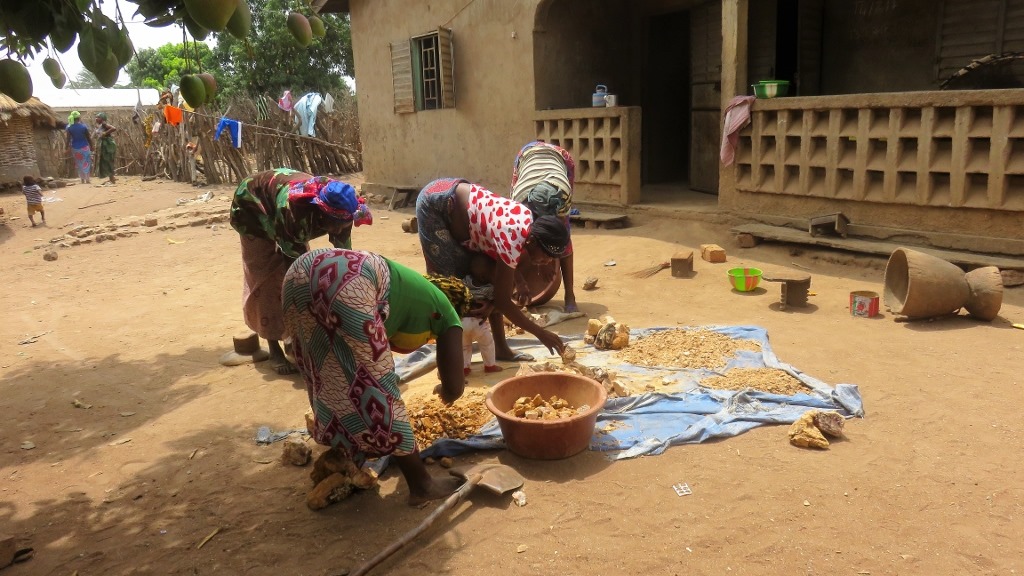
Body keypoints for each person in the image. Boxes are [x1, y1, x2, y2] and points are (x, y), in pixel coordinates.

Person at [282, 248, 468, 506]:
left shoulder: (409, 291)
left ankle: (348, 455)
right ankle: (421, 484)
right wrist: (446, 391)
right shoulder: (446, 310)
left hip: (297, 274)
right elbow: (455, 387)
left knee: (326, 372)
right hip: (347, 281)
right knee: (377, 386)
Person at [229, 168, 372, 375]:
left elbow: (344, 257)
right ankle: (274, 348)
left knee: (313, 278)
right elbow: (295, 273)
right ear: (321, 211)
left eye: (343, 224)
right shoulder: (294, 212)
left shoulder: (345, 210)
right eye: (334, 224)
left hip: (284, 210)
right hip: (252, 207)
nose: (338, 230)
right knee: (267, 278)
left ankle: (292, 339)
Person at [415, 177, 568, 362]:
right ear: (532, 242)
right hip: (436, 205)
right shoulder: (512, 237)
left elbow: (502, 281)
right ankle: (448, 361)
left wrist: (510, 289)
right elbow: (503, 300)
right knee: (448, 290)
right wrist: (541, 333)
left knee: (492, 280)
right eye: (546, 255)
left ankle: (501, 349)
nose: (547, 261)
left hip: (461, 202)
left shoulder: (527, 226)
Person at [510, 140, 578, 312]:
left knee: (563, 236)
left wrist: (549, 258)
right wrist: (519, 281)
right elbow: (508, 250)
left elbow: (560, 239)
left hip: (560, 158)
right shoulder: (516, 209)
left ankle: (570, 296)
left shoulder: (562, 196)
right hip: (527, 154)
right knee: (517, 239)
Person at [461, 254, 503, 376]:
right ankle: (490, 366)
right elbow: (497, 300)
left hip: (462, 321)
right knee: (487, 344)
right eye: (494, 274)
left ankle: (464, 369)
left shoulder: (465, 282)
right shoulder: (489, 289)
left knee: (464, 347)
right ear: (484, 277)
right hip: (478, 322)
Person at [65, 111, 93, 184]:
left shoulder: (69, 128)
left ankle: (82, 179)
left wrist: (66, 148)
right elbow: (88, 138)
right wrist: (92, 146)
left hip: (75, 148)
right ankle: (87, 179)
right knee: (86, 162)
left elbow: (68, 139)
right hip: (84, 147)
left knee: (79, 163)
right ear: (79, 118)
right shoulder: (84, 127)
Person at [94, 112, 117, 185]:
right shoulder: (100, 126)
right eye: (96, 117)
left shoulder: (104, 124)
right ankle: (111, 178)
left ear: (103, 118)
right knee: (105, 161)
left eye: (98, 117)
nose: (96, 119)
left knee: (108, 161)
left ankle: (112, 179)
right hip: (104, 145)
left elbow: (113, 128)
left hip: (108, 145)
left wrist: (105, 133)